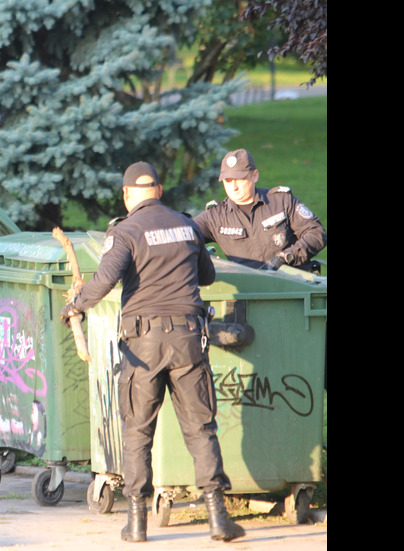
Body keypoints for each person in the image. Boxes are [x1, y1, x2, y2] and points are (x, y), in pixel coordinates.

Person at [60, 162, 245, 542]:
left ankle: (137, 522)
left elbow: (105, 279)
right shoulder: (187, 226)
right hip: (189, 340)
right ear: (159, 190)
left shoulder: (125, 230)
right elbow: (207, 276)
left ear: (127, 195)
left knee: (138, 430)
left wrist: (74, 305)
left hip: (143, 346)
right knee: (201, 428)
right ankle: (217, 518)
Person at [193, 149, 327, 272]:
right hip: (248, 291)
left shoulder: (281, 202)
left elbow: (316, 232)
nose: (233, 187)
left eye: (239, 179)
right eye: (228, 181)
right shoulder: (214, 217)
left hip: (293, 285)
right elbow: (183, 233)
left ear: (255, 176)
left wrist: (288, 257)